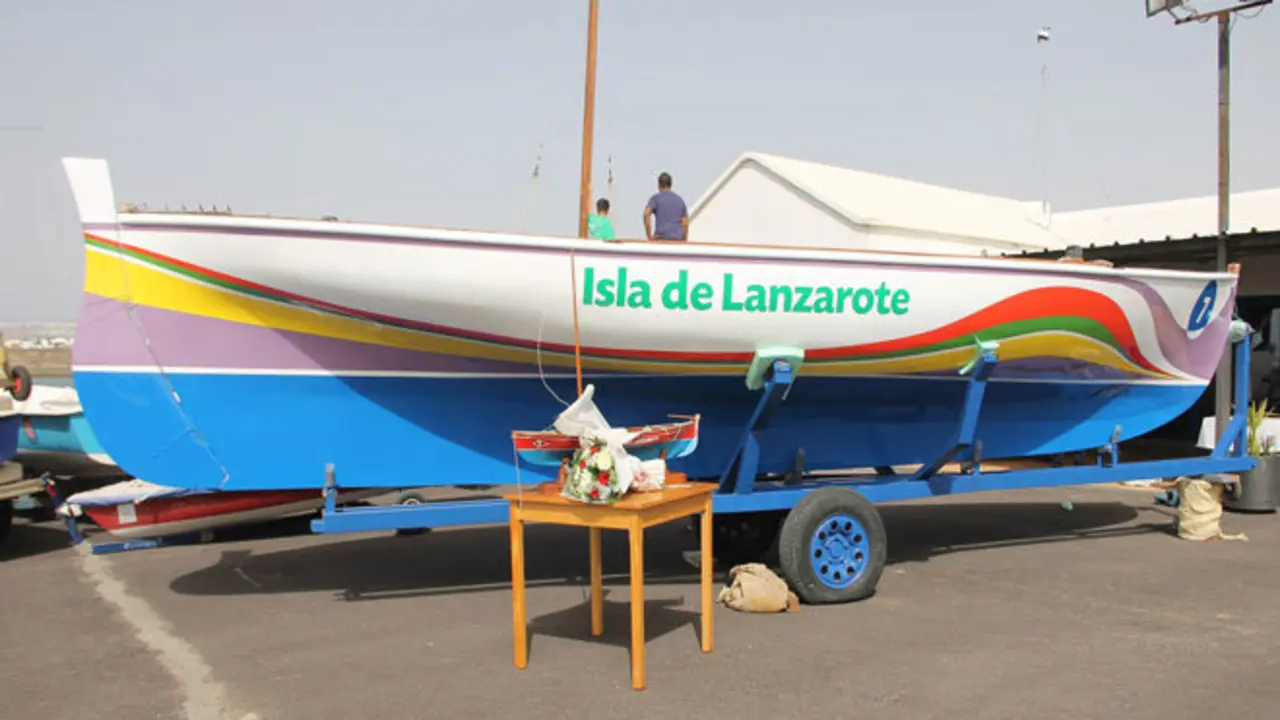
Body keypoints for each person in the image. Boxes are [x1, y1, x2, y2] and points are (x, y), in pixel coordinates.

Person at [643, 171, 688, 241]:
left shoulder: (656, 198)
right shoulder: (680, 201)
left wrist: (649, 237)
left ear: (659, 185)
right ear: (671, 185)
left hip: (661, 239)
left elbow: (646, 214)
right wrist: (683, 241)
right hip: (677, 240)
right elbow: (685, 223)